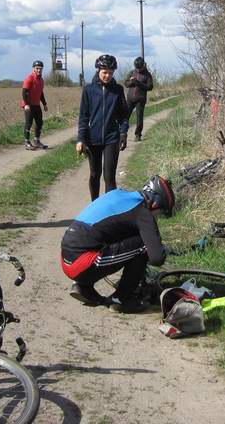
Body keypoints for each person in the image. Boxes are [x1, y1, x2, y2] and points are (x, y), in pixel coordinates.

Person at [60, 175, 174, 313]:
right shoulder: (143, 213)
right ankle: (121, 300)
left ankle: (83, 286)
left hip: (67, 257)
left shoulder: (119, 194)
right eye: (160, 213)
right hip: (82, 263)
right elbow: (157, 258)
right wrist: (160, 248)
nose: (157, 217)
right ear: (155, 203)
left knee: (120, 235)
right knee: (143, 246)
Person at [76, 54, 129, 200]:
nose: (107, 76)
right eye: (104, 72)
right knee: (94, 174)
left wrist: (123, 133)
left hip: (112, 138)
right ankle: (95, 205)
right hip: (92, 139)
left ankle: (109, 211)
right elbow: (83, 117)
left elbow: (124, 116)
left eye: (111, 73)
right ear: (98, 70)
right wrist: (81, 139)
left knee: (109, 177)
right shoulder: (89, 90)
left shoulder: (118, 90)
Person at [123, 57, 153, 142]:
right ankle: (122, 134)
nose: (138, 69)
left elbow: (150, 87)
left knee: (139, 117)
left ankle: (138, 135)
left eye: (139, 67)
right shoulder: (132, 72)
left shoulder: (147, 75)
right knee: (125, 117)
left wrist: (138, 83)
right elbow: (126, 83)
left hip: (140, 99)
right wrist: (131, 82)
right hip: (130, 99)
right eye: (137, 67)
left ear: (143, 65)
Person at [21, 60, 49, 150]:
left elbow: (41, 93)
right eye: (37, 68)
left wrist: (44, 104)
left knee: (39, 123)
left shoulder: (41, 80)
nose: (39, 70)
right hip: (29, 105)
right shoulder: (29, 78)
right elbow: (24, 92)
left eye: (40, 69)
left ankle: (37, 141)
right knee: (28, 123)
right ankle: (27, 142)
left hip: (36, 105)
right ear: (33, 69)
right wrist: (26, 104)